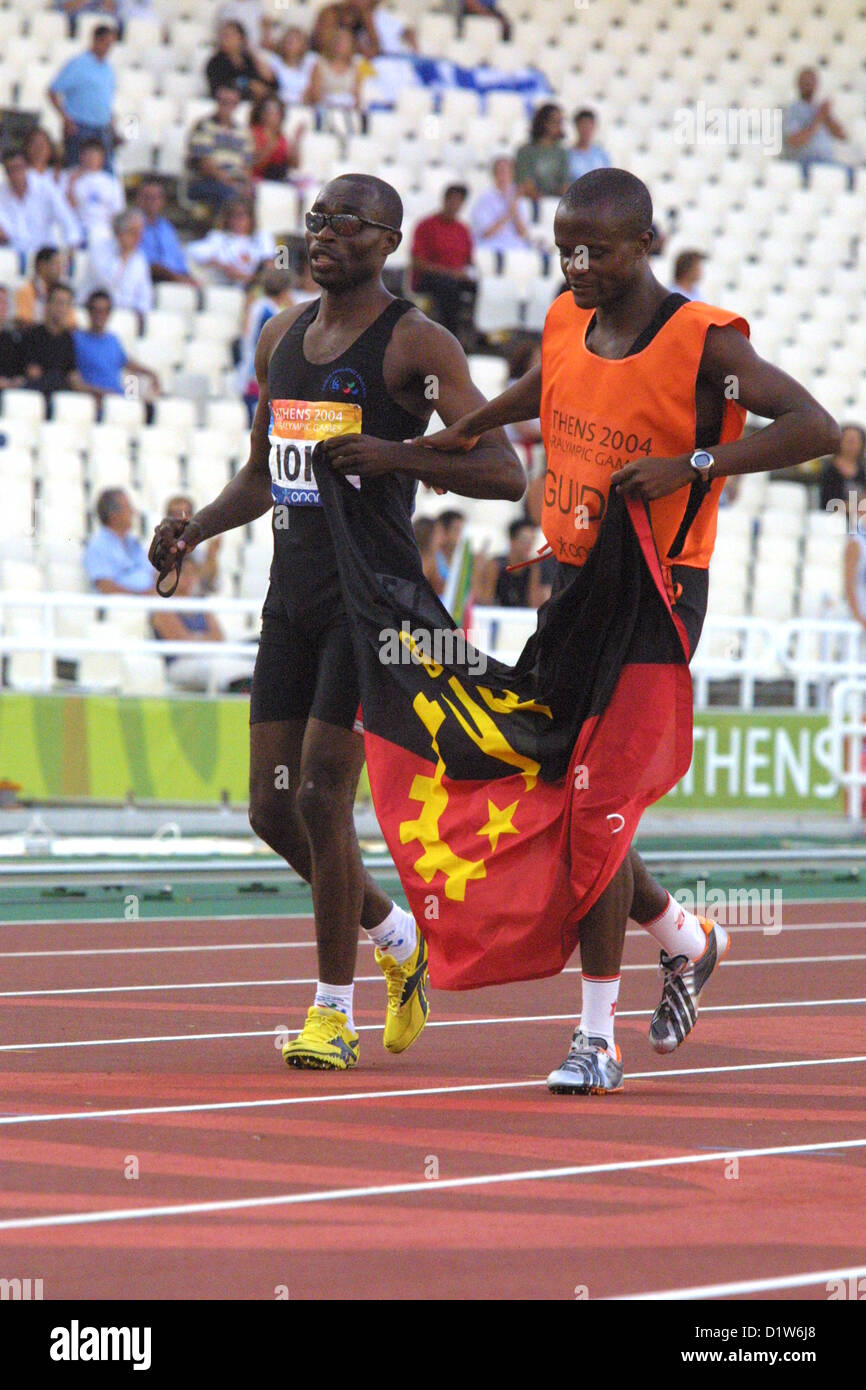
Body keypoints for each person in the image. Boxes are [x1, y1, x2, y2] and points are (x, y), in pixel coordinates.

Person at [419, 166, 840, 1092]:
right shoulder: (568, 313)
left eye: (597, 250)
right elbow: (547, 383)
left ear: (644, 243)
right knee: (568, 795)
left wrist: (694, 463)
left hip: (658, 593)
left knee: (598, 805)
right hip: (572, 586)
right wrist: (458, 434)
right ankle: (687, 940)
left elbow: (814, 426)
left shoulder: (704, 339)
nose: (577, 263)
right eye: (566, 246)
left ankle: (595, 1038)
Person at [148, 172, 524, 1072]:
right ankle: (400, 941)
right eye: (317, 219)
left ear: (388, 241)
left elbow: (505, 472)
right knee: (273, 810)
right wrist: (191, 530)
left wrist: (398, 452)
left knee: (323, 791)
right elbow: (260, 475)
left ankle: (329, 1012)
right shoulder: (283, 336)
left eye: (348, 223)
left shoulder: (415, 344)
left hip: (373, 602)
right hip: (294, 600)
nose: (325, 234)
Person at [151, 555, 253, 692]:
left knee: (244, 664)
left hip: (209, 656)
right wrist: (204, 639)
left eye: (192, 572)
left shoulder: (199, 604)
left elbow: (219, 637)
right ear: (169, 575)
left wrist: (196, 638)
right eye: (183, 572)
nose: (189, 577)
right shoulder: (163, 608)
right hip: (180, 664)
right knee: (218, 668)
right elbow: (182, 643)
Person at [48, 23, 119, 169]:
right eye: (105, 43)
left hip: (102, 128)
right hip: (80, 127)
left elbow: (105, 100)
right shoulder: (78, 64)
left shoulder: (108, 69)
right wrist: (66, 119)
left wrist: (111, 124)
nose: (108, 48)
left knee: (105, 173)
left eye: (110, 44)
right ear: (95, 40)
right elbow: (53, 91)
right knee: (76, 169)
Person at [410, 185, 475, 343]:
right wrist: (449, 273)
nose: (454, 204)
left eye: (459, 201)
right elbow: (418, 263)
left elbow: (469, 261)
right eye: (452, 199)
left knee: (479, 287)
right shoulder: (426, 225)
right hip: (428, 278)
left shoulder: (462, 230)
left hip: (455, 278)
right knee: (448, 286)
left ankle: (477, 334)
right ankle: (451, 338)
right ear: (445, 200)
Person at [73, 289, 160, 405]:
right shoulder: (77, 339)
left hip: (118, 398)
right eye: (96, 311)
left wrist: (151, 373)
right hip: (94, 400)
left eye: (104, 311)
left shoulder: (112, 339)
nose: (100, 316)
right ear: (88, 312)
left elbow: (127, 364)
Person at [236, 264, 295, 420]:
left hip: (253, 371)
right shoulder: (270, 312)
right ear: (284, 290)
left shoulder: (259, 306)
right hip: (258, 374)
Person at [0, 150, 82, 260]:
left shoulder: (45, 187)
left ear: (27, 167)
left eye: (18, 167)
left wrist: (71, 248)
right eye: (10, 170)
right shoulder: (2, 192)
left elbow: (67, 218)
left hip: (44, 256)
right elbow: (6, 233)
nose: (15, 173)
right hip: (14, 256)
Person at [187, 85, 255, 212]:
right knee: (229, 194)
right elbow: (205, 165)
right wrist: (230, 181)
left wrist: (244, 184)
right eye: (224, 102)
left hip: (234, 182)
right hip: (207, 181)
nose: (227, 106)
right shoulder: (204, 126)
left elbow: (247, 166)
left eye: (232, 103)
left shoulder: (243, 131)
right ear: (217, 102)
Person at [79, 209, 153, 318]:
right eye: (134, 232)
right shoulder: (99, 249)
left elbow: (145, 295)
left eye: (140, 233)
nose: (139, 238)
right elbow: (108, 284)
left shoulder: (139, 259)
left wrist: (140, 314)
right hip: (96, 312)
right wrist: (123, 255)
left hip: (127, 316)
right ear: (120, 232)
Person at [784, 66, 851, 183]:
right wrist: (819, 117)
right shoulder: (793, 110)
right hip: (804, 163)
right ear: (798, 84)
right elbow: (794, 141)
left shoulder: (820, 108)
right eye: (805, 82)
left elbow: (842, 136)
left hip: (827, 162)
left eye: (811, 81)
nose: (808, 85)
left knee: (852, 174)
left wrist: (827, 116)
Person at [186, 198, 275, 286]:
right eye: (234, 216)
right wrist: (222, 266)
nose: (238, 221)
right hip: (228, 284)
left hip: (258, 284)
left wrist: (253, 278)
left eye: (242, 216)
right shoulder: (218, 237)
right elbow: (192, 251)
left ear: (251, 218)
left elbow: (270, 262)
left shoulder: (262, 236)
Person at [84, 488, 156, 593]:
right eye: (128, 507)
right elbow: (106, 587)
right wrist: (143, 597)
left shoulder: (133, 543)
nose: (133, 511)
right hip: (124, 606)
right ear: (113, 515)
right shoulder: (98, 546)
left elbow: (152, 574)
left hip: (150, 601)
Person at [21, 282, 83, 400]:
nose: (62, 309)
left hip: (61, 392)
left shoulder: (68, 339)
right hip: (38, 392)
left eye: (67, 304)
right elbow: (32, 372)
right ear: (48, 304)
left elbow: (72, 373)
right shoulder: (32, 335)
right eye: (59, 303)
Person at [474, 517, 550, 608]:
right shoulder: (496, 565)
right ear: (512, 541)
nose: (528, 546)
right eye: (524, 540)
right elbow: (487, 599)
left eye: (532, 541)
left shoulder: (532, 568)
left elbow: (533, 603)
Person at [61, 137, 125, 245]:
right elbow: (65, 208)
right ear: (81, 156)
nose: (91, 158)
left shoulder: (112, 183)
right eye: (87, 154)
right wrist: (71, 184)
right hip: (77, 229)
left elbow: (118, 212)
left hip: (103, 231)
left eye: (95, 155)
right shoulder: (68, 176)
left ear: (102, 158)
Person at [136, 180, 198, 287]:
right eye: (147, 197)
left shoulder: (166, 227)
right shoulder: (134, 225)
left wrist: (188, 278)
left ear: (163, 201)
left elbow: (178, 260)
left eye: (156, 197)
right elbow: (144, 263)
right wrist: (175, 277)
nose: (152, 201)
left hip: (176, 279)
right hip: (151, 279)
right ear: (139, 199)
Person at [304, 27, 364, 133]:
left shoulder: (355, 69)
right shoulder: (319, 65)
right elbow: (315, 93)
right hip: (324, 110)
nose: (342, 45)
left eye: (346, 42)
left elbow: (357, 96)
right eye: (339, 41)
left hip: (347, 111)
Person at [470, 156, 535, 253]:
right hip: (491, 246)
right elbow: (486, 233)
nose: (504, 175)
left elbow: (523, 234)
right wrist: (508, 214)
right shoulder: (485, 199)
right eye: (500, 172)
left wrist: (514, 211)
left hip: (515, 247)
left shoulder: (519, 199)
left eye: (507, 172)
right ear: (494, 175)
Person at [205, 20, 277, 102]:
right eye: (223, 36)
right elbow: (219, 88)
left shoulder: (249, 60)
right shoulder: (215, 63)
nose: (225, 39)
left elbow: (270, 81)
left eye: (229, 35)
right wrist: (249, 86)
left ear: (241, 38)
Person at [514, 104, 570, 200]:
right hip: (532, 203)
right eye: (554, 121)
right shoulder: (525, 151)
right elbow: (526, 184)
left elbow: (565, 184)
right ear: (543, 122)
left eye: (560, 122)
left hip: (556, 203)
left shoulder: (562, 152)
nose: (558, 126)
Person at [14, 246, 73, 327]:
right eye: (56, 264)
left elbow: (71, 322)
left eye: (62, 265)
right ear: (42, 265)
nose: (61, 269)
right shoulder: (26, 291)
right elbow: (23, 320)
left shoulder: (64, 293)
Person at [249, 95, 303, 182]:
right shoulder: (254, 133)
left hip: (278, 178)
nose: (275, 116)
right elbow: (255, 164)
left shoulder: (281, 137)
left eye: (278, 112)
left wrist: (297, 140)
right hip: (260, 178)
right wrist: (271, 143)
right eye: (271, 112)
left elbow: (294, 165)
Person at [819, 423, 866, 510]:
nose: (852, 445)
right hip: (836, 519)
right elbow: (829, 505)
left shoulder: (863, 470)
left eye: (856, 441)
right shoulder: (829, 471)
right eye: (849, 441)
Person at [267, 26, 319, 105]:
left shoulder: (311, 60)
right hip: (280, 105)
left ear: (304, 45)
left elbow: (313, 88)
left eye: (295, 41)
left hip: (303, 106)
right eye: (288, 40)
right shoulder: (274, 61)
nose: (291, 44)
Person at [567, 108, 610, 182]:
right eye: (583, 125)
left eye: (589, 125)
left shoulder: (601, 154)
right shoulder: (568, 155)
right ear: (576, 126)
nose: (586, 130)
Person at [0, 287, 27, 390]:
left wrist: (18, 380)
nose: (2, 307)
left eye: (4, 302)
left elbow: (21, 371)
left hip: (9, 392)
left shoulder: (14, 339)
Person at [412, 514, 446, 595]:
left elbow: (441, 589)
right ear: (428, 535)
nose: (443, 539)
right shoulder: (425, 561)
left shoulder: (434, 559)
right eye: (438, 535)